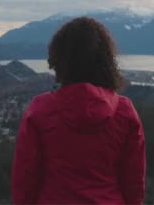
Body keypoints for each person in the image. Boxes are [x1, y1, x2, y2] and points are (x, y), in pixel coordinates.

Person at [11, 17, 146, 205]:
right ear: (106, 61)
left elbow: (25, 181)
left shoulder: (39, 111)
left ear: (59, 61)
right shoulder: (125, 112)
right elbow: (133, 182)